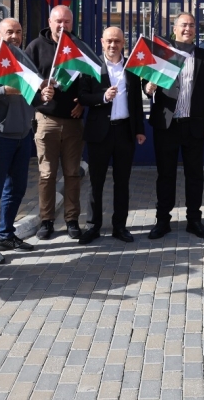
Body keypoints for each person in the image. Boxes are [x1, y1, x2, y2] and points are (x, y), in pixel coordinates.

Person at [0, 18, 53, 266]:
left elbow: (31, 94)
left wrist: (43, 96)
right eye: (9, 32)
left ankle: (6, 235)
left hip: (22, 133)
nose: (14, 36)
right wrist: (3, 91)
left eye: (18, 32)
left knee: (16, 189)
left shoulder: (23, 58)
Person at [144, 13, 204, 239]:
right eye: (183, 25)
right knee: (165, 175)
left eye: (192, 25)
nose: (188, 29)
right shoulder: (161, 55)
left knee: (194, 175)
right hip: (167, 125)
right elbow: (145, 85)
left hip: (194, 126)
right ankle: (162, 221)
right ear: (174, 29)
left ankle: (194, 220)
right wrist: (148, 88)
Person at [78, 26, 146, 244]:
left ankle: (120, 226)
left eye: (117, 41)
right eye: (109, 41)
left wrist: (140, 130)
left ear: (123, 43)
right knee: (96, 182)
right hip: (99, 133)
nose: (113, 45)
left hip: (124, 131)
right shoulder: (92, 66)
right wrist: (103, 97)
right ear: (102, 42)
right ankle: (93, 226)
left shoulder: (131, 68)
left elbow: (136, 102)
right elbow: (82, 96)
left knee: (122, 182)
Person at [25, 5, 85, 240]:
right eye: (58, 21)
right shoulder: (35, 47)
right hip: (46, 120)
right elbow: (25, 82)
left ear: (72, 23)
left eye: (67, 21)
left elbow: (88, 81)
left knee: (72, 173)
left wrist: (83, 103)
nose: (62, 25)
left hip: (73, 121)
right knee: (47, 174)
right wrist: (40, 96)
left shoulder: (78, 47)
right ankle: (47, 220)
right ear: (50, 22)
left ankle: (72, 219)